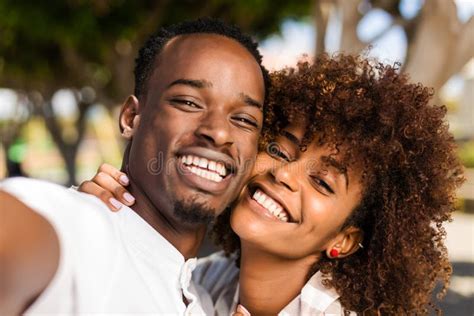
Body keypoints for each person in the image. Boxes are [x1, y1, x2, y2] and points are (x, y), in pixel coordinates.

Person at [82, 54, 464, 314]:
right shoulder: (207, 279)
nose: (283, 173)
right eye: (280, 151)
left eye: (322, 183)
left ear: (343, 240)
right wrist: (105, 225)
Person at [0, 18, 270, 314]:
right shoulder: (82, 227)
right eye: (189, 102)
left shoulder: (205, 299)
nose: (218, 132)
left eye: (244, 119)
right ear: (131, 117)